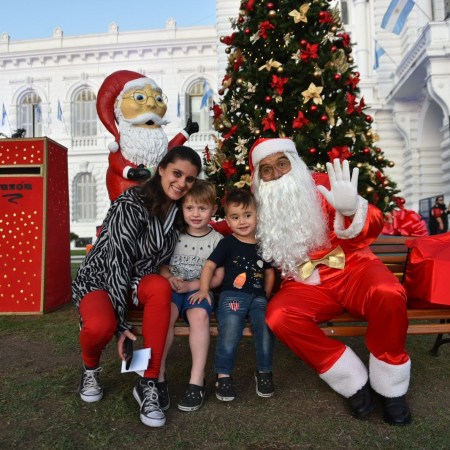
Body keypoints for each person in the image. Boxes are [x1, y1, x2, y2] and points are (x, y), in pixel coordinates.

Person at [249, 137, 412, 426]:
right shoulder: (259, 203)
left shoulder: (324, 185)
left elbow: (372, 223)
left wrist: (352, 210)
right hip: (304, 282)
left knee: (387, 292)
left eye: (282, 164)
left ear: (295, 163)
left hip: (353, 268)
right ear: (258, 177)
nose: (276, 174)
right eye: (267, 169)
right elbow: (229, 225)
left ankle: (391, 387)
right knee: (279, 316)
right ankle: (352, 380)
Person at [72, 146, 202, 428]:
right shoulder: (131, 203)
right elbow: (118, 262)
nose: (182, 183)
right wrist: (122, 326)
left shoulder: (179, 210)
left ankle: (148, 382)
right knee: (101, 327)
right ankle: (90, 367)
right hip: (102, 275)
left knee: (160, 288)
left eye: (190, 179)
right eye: (177, 174)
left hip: (138, 279)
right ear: (162, 169)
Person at [190, 188, 276, 402]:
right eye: (235, 217)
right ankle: (223, 376)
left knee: (265, 327)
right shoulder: (228, 242)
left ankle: (264, 371)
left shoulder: (263, 245)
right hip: (232, 296)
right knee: (230, 328)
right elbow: (210, 265)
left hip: (258, 298)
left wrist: (265, 294)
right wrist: (204, 289)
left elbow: (269, 272)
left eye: (247, 215)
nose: (242, 221)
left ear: (257, 216)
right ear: (228, 221)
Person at [158, 180, 224, 412]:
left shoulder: (217, 240)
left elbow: (218, 276)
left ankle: (197, 380)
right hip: (174, 287)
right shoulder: (174, 235)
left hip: (198, 288)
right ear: (182, 209)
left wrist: (193, 286)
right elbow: (162, 265)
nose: (195, 214)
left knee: (199, 317)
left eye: (202, 208)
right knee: (164, 315)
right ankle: (158, 376)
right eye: (189, 208)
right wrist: (169, 278)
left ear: (213, 210)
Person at [96, 70, 199, 201]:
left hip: (155, 195)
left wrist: (186, 132)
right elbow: (115, 161)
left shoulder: (156, 138)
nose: (151, 104)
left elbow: (169, 150)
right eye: (139, 98)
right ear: (118, 105)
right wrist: (131, 172)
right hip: (125, 193)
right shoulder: (123, 143)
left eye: (158, 99)